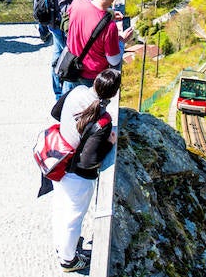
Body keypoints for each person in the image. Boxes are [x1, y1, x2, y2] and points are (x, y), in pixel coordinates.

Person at [50, 68, 121, 273]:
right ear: (113, 93)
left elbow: (55, 112)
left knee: (60, 207)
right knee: (74, 216)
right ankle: (68, 260)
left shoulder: (77, 91)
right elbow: (89, 160)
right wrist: (108, 143)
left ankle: (61, 245)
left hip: (58, 157)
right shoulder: (103, 120)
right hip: (76, 174)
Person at [47, 0, 104, 100]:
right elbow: (82, 3)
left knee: (58, 55)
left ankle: (58, 94)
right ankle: (63, 98)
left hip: (53, 14)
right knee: (68, 60)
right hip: (63, 19)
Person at [62, 0, 134, 94]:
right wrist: (122, 41)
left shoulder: (78, 2)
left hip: (70, 67)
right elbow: (114, 60)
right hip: (90, 78)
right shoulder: (109, 28)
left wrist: (109, 14)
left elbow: (88, 15)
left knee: (66, 107)